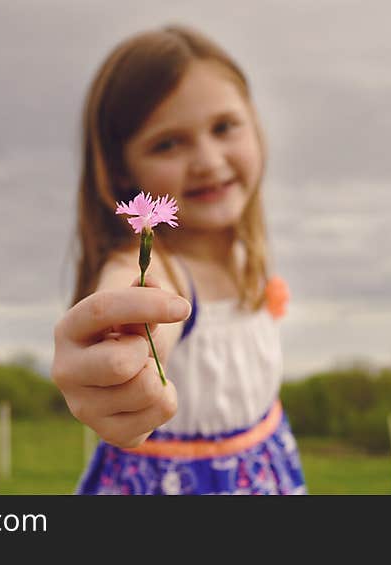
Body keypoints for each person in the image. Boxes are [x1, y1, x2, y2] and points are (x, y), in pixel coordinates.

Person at [51, 24, 306, 495]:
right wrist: (118, 357)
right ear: (124, 169)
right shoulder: (156, 263)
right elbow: (138, 303)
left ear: (255, 122)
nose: (208, 160)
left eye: (224, 127)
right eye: (168, 143)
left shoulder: (244, 256)